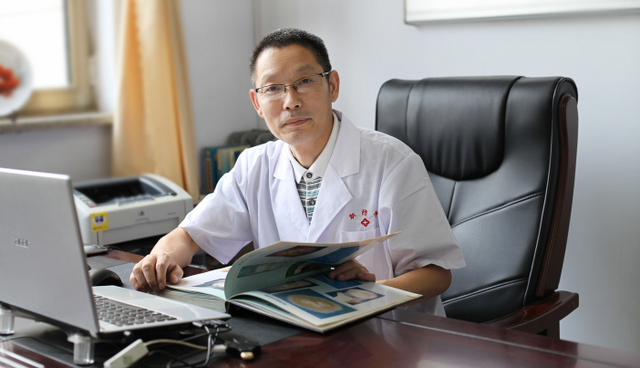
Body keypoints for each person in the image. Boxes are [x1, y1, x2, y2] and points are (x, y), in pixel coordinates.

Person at [130, 28, 465, 315]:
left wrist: (372, 292)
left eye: (304, 81)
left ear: (333, 85)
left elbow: (437, 274)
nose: (290, 101)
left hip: (388, 335)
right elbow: (190, 235)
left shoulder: (392, 162)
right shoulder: (254, 165)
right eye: (273, 88)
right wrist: (159, 260)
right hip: (295, 331)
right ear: (257, 103)